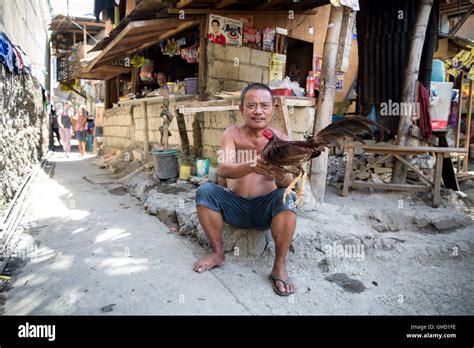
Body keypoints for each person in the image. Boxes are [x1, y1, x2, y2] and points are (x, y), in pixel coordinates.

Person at [193, 83, 298, 296]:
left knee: (288, 197)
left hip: (265, 210)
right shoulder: (231, 134)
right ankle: (218, 253)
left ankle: (279, 267)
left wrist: (279, 175)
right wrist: (251, 165)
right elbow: (224, 169)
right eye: (251, 105)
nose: (257, 111)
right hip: (234, 207)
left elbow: (289, 181)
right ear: (241, 109)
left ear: (273, 108)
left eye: (264, 105)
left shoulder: (283, 140)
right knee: (205, 191)